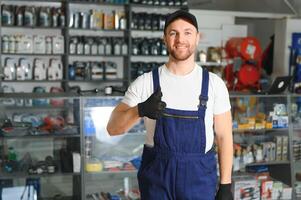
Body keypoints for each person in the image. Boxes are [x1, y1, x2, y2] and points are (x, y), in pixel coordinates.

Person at [107, 9, 233, 200]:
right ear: (164, 39)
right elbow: (112, 128)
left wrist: (225, 185)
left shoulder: (214, 84)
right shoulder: (146, 83)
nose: (180, 39)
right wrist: (139, 110)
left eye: (187, 32)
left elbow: (224, 137)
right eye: (173, 33)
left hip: (198, 179)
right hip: (157, 178)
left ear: (197, 38)